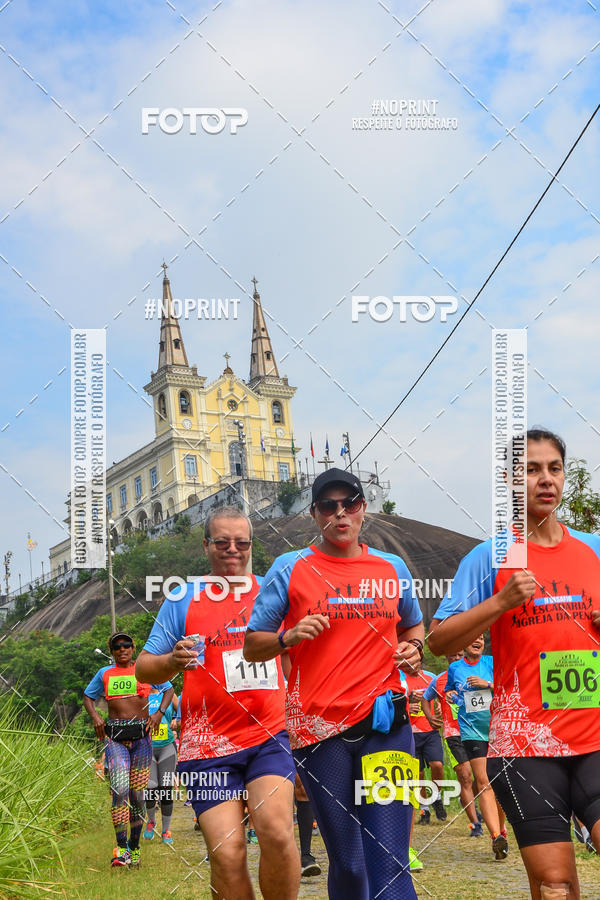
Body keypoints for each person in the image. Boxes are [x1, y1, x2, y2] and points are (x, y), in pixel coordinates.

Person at [429, 428, 600, 899]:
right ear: (509, 480)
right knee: (555, 885)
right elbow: (439, 640)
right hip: (526, 748)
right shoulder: (489, 557)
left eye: (554, 468)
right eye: (531, 470)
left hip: (594, 737)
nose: (545, 479)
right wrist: (499, 602)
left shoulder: (594, 549)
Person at [244, 467, 425, 899]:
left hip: (386, 724)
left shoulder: (392, 567)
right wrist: (288, 636)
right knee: (350, 863)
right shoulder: (291, 568)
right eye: (329, 505)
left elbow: (414, 626)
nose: (340, 513)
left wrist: (415, 648)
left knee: (390, 859)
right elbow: (252, 646)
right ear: (314, 513)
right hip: (320, 732)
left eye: (350, 504)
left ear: (363, 509)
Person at [136, 506, 300, 900]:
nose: (232, 549)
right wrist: (172, 661)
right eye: (222, 542)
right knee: (227, 853)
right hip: (207, 747)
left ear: (251, 546)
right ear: (206, 545)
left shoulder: (272, 592)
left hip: (269, 736)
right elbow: (143, 667)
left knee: (277, 833)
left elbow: (293, 661)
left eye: (241, 543)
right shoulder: (183, 598)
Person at [83, 631, 173, 867]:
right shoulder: (104, 673)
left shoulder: (144, 671)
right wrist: (96, 717)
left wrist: (159, 713)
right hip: (115, 740)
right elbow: (88, 697)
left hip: (142, 740)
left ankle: (135, 848)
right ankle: (121, 848)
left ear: (133, 648)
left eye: (126, 645)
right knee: (120, 791)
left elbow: (169, 689)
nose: (122, 649)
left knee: (137, 796)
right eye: (117, 646)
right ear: (112, 651)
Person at [444, 636, 507, 856]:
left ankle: (502, 829)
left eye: (481, 637)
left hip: (496, 728)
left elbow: (509, 687)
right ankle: (495, 836)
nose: (478, 640)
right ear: (463, 643)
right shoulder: (455, 668)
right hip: (471, 731)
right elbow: (450, 690)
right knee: (483, 782)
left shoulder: (492, 662)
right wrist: (450, 694)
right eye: (473, 637)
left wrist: (486, 685)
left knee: (499, 784)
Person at [421, 653, 482, 835]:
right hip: (453, 734)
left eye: (459, 654)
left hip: (476, 731)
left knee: (481, 778)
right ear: (447, 657)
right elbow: (425, 698)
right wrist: (430, 717)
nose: (456, 657)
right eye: (452, 654)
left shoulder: (475, 674)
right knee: (465, 776)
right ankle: (475, 825)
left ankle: (468, 800)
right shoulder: (439, 680)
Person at [403, 663, 447, 825]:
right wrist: (407, 707)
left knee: (437, 765)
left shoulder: (430, 677)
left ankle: (436, 797)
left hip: (430, 730)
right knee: (418, 774)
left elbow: (441, 696)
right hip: (410, 732)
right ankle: (424, 809)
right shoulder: (400, 679)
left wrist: (440, 707)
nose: (411, 664)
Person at [143, 688, 179, 844]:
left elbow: (182, 709)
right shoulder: (142, 692)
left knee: (165, 788)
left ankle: (166, 831)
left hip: (167, 746)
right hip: (147, 747)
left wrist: (176, 719)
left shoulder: (168, 692)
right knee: (150, 787)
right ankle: (151, 821)